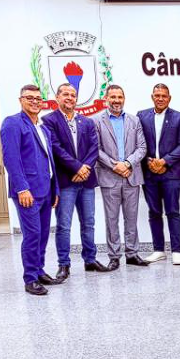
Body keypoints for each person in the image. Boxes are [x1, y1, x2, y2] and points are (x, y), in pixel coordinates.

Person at [42, 83, 108, 279]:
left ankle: (90, 260)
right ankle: (64, 264)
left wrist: (85, 168)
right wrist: (77, 168)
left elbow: (94, 148)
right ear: (57, 97)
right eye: (65, 94)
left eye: (73, 95)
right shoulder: (49, 120)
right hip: (66, 181)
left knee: (89, 223)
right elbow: (56, 148)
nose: (70, 98)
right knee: (64, 225)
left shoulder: (87, 122)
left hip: (86, 181)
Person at [1, 85, 61, 295]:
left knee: (43, 234)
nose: (35, 101)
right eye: (30, 98)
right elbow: (11, 158)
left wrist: (55, 189)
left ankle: (39, 270)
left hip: (46, 190)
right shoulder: (13, 123)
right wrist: (21, 188)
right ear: (21, 100)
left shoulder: (43, 128)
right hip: (27, 192)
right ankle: (30, 279)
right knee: (32, 235)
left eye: (38, 98)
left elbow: (50, 162)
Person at [93, 84, 149, 270]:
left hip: (131, 175)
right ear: (106, 99)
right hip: (109, 177)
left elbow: (142, 147)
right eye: (113, 97)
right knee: (112, 220)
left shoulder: (134, 120)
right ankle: (114, 256)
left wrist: (127, 163)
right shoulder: (96, 121)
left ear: (124, 99)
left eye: (120, 97)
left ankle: (132, 254)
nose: (116, 100)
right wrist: (115, 165)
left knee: (131, 218)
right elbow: (96, 149)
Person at [137, 84, 180, 266]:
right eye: (157, 95)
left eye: (164, 96)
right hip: (149, 172)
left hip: (172, 173)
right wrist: (149, 161)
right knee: (154, 212)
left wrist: (164, 161)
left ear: (169, 98)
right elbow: (138, 143)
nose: (160, 98)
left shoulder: (179, 117)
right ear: (152, 97)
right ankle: (158, 250)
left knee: (173, 212)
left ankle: (176, 251)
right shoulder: (141, 116)